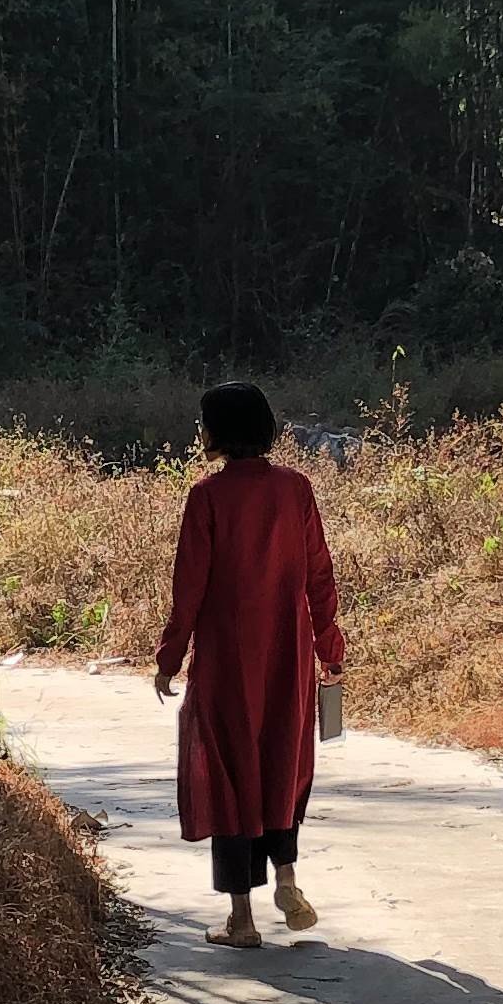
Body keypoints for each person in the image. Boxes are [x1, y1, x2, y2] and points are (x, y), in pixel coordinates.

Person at [153, 380, 347, 948]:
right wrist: (328, 649)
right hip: (286, 656)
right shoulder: (296, 490)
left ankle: (242, 919)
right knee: (280, 762)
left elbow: (189, 588)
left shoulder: (208, 497)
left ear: (221, 431)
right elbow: (319, 577)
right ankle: (286, 879)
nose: (201, 432)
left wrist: (170, 656)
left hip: (227, 658)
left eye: (205, 422)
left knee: (229, 770)